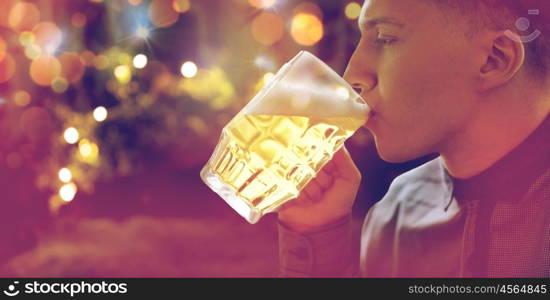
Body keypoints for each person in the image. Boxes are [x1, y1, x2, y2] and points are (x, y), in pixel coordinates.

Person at [277, 0, 550, 277]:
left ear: (494, 59)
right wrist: (319, 237)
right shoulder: (395, 213)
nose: (352, 77)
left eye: (385, 38)